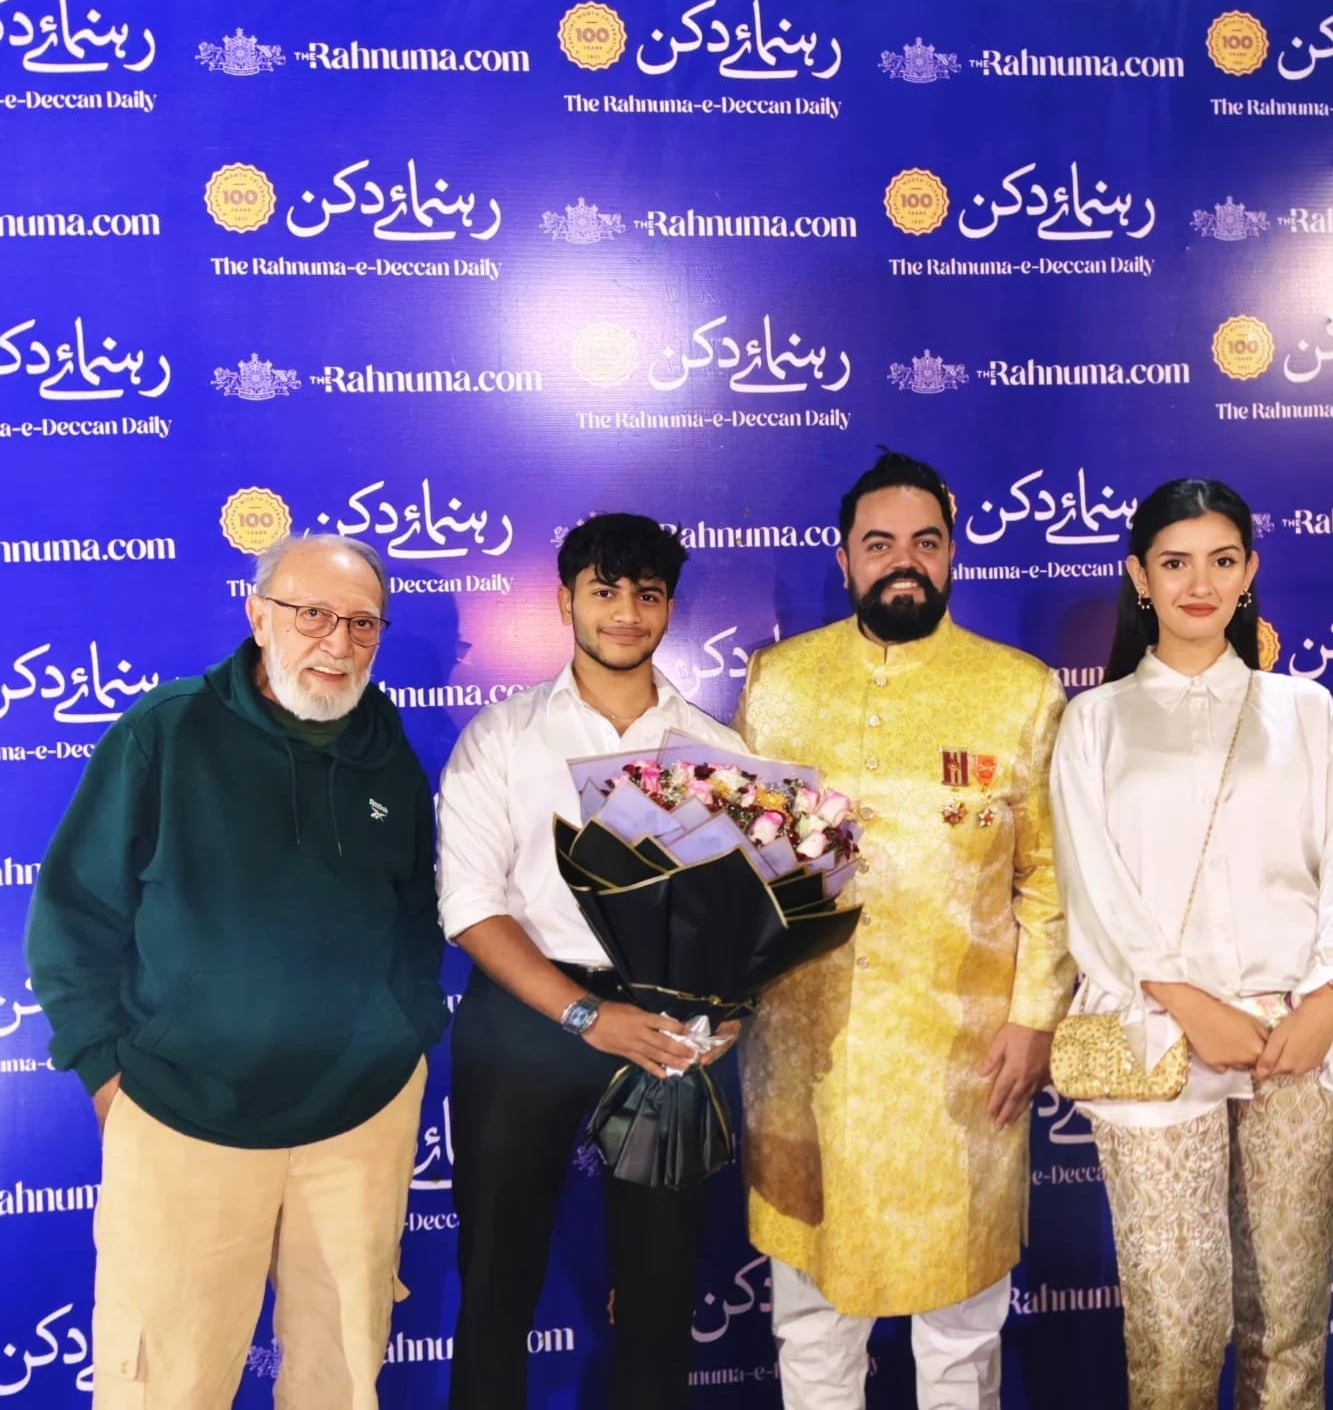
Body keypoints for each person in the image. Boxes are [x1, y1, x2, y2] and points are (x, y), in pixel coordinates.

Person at [25, 534, 448, 1410]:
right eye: (312, 614)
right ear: (258, 616)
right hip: (184, 1114)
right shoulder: (166, 732)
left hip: (358, 1119)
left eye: (363, 623)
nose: (338, 642)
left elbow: (415, 914)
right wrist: (108, 1075)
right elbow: (72, 917)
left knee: (343, 1375)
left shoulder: (388, 750)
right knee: (166, 1384)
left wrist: (405, 1036)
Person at [734, 451, 1073, 1410]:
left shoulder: (1020, 690)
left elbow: (1049, 880)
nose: (904, 562)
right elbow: (739, 869)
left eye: (925, 542)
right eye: (879, 544)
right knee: (812, 1323)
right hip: (807, 1056)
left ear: (952, 554)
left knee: (961, 1333)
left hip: (964, 1061)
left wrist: (1034, 1021)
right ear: (844, 559)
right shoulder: (778, 682)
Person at [1050, 478, 1333, 1410]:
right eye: (1176, 562)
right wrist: (1191, 1006)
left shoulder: (1306, 712)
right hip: (1159, 1042)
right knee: (1176, 1332)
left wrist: (1326, 999)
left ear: (1249, 573)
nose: (1200, 584)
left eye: (1222, 561)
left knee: (1289, 1325)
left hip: (1302, 1046)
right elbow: (1095, 892)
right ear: (1139, 577)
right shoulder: (1095, 721)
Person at [436, 513, 747, 1410]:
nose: (626, 613)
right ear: (564, 600)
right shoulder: (502, 737)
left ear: (669, 608)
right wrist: (582, 1013)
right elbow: (470, 907)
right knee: (495, 1281)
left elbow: (744, 918)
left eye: (647, 594)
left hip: (665, 1028)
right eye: (604, 591)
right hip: (526, 1021)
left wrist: (729, 1011)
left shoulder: (718, 754)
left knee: (658, 1290)